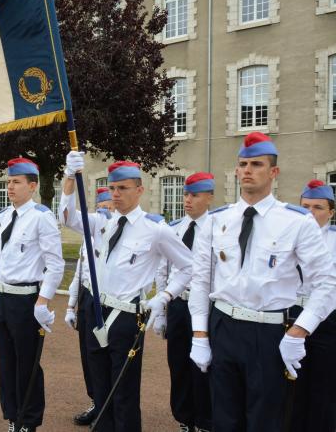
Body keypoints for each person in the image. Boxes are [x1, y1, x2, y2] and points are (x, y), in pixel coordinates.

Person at [187, 132, 336, 431]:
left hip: (269, 332)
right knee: (224, 418)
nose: (247, 171)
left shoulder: (296, 221)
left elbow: (326, 283)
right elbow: (201, 281)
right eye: (243, 164)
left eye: (256, 164)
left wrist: (298, 331)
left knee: (265, 419)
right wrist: (199, 334)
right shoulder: (217, 219)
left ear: (273, 172)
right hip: (224, 326)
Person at [60, 153, 193, 431]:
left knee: (123, 391)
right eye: (112, 188)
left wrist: (164, 297)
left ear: (140, 190)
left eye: (123, 188)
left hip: (126, 317)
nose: (116, 194)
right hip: (97, 311)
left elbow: (188, 267)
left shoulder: (155, 229)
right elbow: (68, 217)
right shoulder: (101, 223)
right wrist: (70, 178)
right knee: (101, 388)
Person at [0, 159, 64, 432]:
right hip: (3, 298)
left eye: (16, 182)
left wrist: (42, 302)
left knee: (27, 365)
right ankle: (12, 417)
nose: (10, 186)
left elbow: (55, 264)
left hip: (26, 300)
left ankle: (28, 421)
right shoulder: (1, 217)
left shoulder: (41, 217)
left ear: (32, 186)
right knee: (6, 363)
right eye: (8, 181)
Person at [154, 173, 215, 432]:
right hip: (178, 305)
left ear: (210, 197)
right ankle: (183, 419)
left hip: (206, 308)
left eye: (195, 195)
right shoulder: (175, 228)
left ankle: (204, 421)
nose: (188, 200)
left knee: (203, 366)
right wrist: (161, 311)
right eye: (186, 194)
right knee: (178, 364)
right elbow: (162, 269)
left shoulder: (217, 228)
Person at [62, 187, 114, 426]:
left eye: (109, 207)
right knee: (87, 356)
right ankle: (96, 401)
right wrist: (71, 306)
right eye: (101, 208)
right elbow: (79, 273)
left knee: (106, 356)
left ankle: (108, 405)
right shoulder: (88, 235)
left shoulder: (116, 233)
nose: (104, 212)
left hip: (107, 299)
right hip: (85, 297)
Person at [289, 179, 336, 431]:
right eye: (305, 206)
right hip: (292, 314)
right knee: (291, 384)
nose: (310, 212)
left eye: (318, 207)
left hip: (327, 320)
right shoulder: (289, 239)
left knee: (323, 386)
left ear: (331, 211)